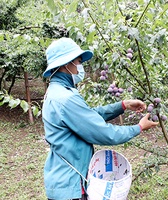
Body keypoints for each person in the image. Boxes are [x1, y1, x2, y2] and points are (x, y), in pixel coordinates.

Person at [42, 37, 159, 200]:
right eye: (78, 61)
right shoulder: (65, 99)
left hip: (62, 177)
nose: (80, 66)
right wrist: (138, 127)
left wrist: (123, 105)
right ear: (66, 64)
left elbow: (88, 116)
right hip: (70, 184)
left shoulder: (57, 91)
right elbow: (103, 132)